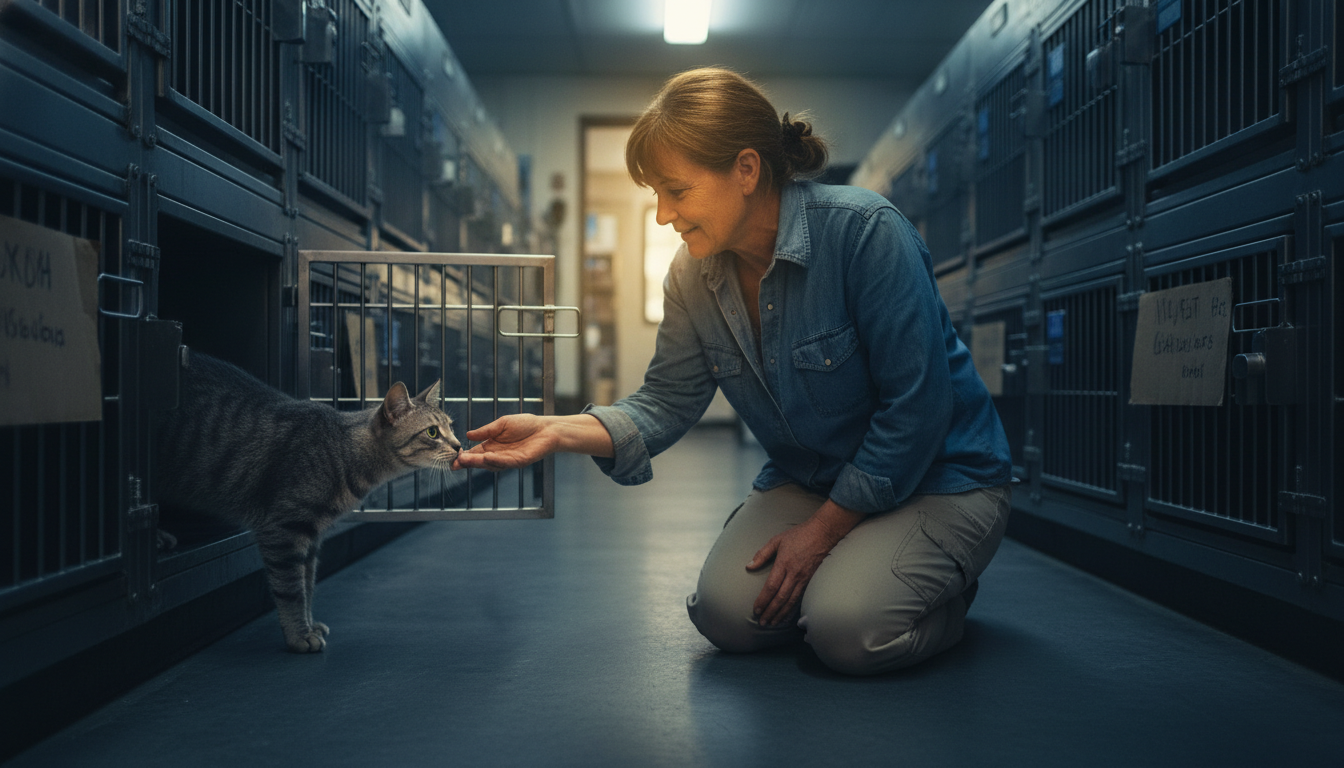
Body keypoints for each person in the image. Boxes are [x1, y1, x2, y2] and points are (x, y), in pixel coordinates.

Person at [453, 67, 1013, 675]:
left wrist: (822, 534)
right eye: (656, 197)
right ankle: (864, 576)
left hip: (943, 478)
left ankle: (938, 596)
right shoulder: (691, 276)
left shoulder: (866, 234)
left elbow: (917, 410)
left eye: (677, 191)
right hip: (818, 478)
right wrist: (559, 431)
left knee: (848, 633)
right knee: (725, 616)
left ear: (746, 170)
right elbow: (666, 400)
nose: (664, 214)